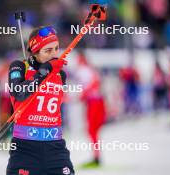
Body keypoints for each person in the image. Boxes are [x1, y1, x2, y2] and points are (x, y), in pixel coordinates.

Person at [6, 26, 74, 175]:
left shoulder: (60, 74)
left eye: (56, 49)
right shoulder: (19, 67)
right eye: (47, 51)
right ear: (35, 52)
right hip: (25, 150)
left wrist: (49, 70)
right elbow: (19, 93)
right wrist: (45, 70)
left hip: (55, 149)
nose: (54, 54)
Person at [75, 51, 106, 168]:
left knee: (92, 130)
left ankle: (97, 157)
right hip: (96, 101)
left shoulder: (84, 70)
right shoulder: (88, 69)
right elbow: (96, 82)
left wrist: (84, 94)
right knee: (93, 131)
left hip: (94, 102)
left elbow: (95, 83)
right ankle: (96, 156)